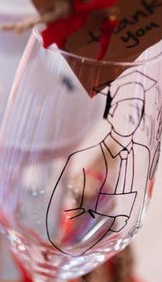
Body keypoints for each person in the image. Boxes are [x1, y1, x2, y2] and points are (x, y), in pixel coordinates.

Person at [46, 71, 155, 257]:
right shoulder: (85, 159)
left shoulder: (137, 160)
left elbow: (128, 209)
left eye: (135, 115)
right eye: (126, 113)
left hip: (98, 240)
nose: (130, 120)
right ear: (112, 111)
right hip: (76, 236)